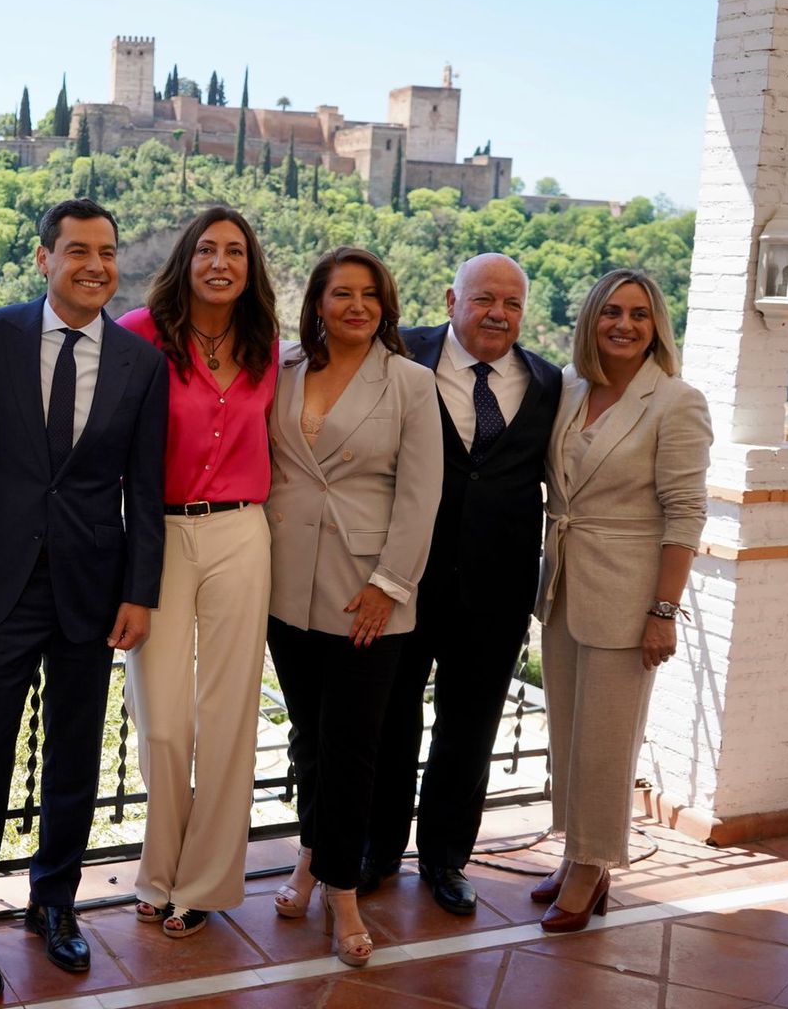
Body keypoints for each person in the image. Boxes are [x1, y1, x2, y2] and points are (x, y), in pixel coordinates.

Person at [0, 199, 168, 998]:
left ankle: (55, 904)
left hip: (91, 588)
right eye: (77, 251)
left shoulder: (142, 364)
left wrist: (141, 592)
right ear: (44, 259)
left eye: (107, 252)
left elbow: (145, 489)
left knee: (74, 755)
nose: (95, 265)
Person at [364, 253, 562, 915]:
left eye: (511, 304)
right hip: (404, 578)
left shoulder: (546, 382)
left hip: (496, 589)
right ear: (451, 298)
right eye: (484, 299)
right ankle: (378, 850)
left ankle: (447, 859)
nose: (498, 314)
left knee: (470, 729)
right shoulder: (398, 354)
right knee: (391, 721)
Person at [264, 247, 442, 967]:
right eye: (343, 294)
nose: (357, 306)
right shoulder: (283, 369)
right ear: (317, 303)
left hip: (366, 591)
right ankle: (312, 856)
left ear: (386, 306)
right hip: (285, 586)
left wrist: (389, 583)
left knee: (353, 746)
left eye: (371, 295)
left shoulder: (411, 383)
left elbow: (422, 494)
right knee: (308, 739)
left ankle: (340, 890)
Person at [531, 268, 711, 933]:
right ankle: (578, 851)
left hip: (630, 594)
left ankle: (592, 868)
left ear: (656, 325)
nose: (624, 325)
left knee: (607, 742)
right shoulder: (572, 388)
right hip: (564, 585)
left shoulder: (676, 401)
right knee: (569, 735)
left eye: (639, 314)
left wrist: (663, 612)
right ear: (591, 320)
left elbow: (686, 512)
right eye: (612, 312)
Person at [115, 206, 278, 938]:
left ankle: (206, 882)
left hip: (244, 530)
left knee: (230, 714)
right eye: (208, 249)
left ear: (251, 267)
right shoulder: (140, 336)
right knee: (164, 718)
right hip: (159, 536)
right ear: (186, 258)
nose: (221, 262)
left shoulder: (268, 345)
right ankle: (158, 870)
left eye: (235, 251)